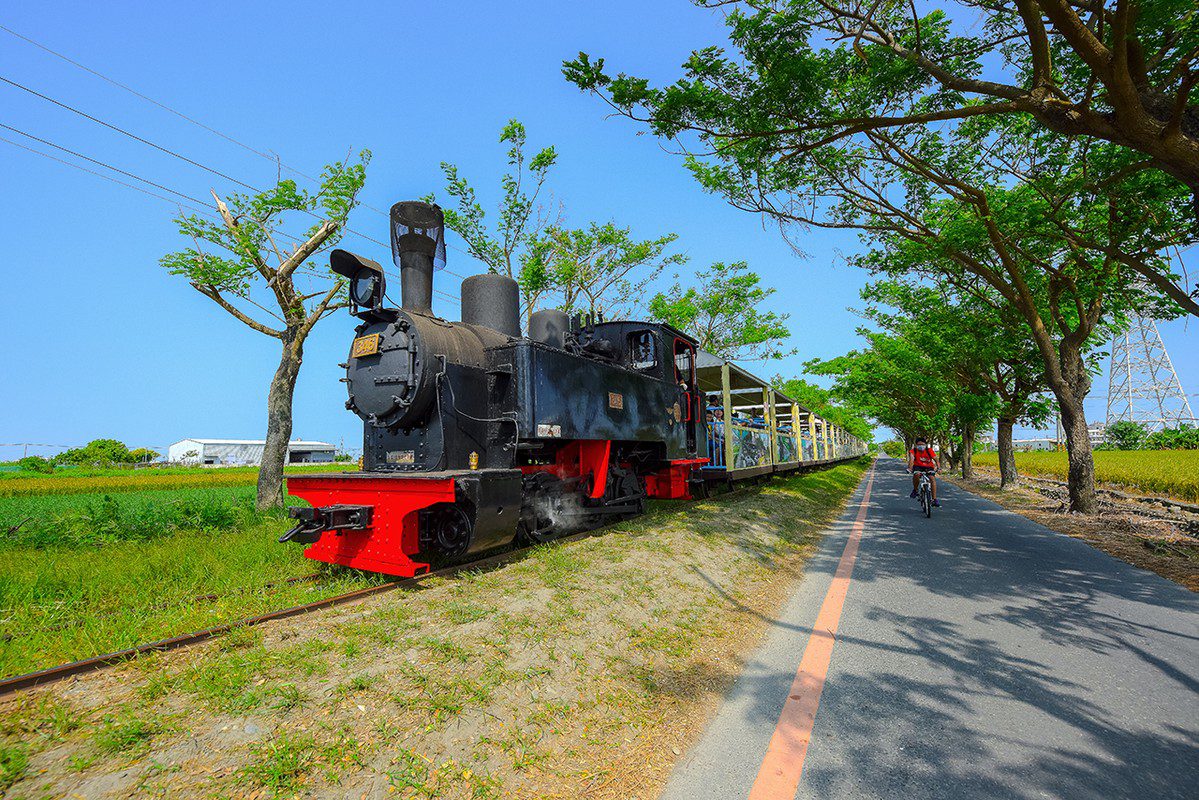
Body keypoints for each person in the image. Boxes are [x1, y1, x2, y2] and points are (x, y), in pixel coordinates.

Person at [906, 437, 940, 507]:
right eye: (919, 445)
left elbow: (936, 459)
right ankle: (915, 490)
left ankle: (934, 499)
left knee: (932, 478)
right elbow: (911, 460)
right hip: (917, 466)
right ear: (916, 445)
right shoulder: (913, 451)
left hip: (929, 466)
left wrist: (939, 468)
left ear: (925, 444)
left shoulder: (929, 450)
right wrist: (910, 468)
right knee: (916, 474)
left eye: (922, 444)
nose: (921, 446)